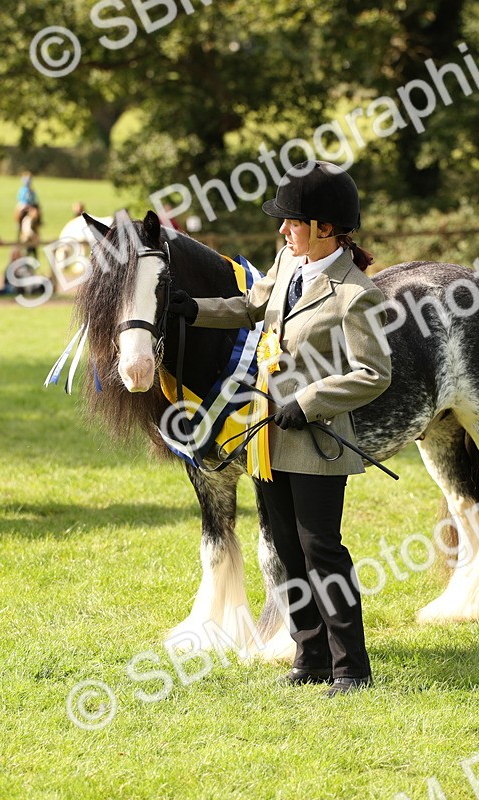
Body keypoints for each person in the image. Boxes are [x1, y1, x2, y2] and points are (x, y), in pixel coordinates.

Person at [170, 161, 392, 697]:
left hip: (315, 442)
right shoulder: (288, 264)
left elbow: (374, 374)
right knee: (286, 550)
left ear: (324, 228)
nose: (282, 231)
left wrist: (311, 400)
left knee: (322, 551)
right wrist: (190, 309)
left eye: (291, 222)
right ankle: (310, 655)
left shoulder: (354, 294)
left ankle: (351, 667)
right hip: (266, 437)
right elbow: (249, 306)